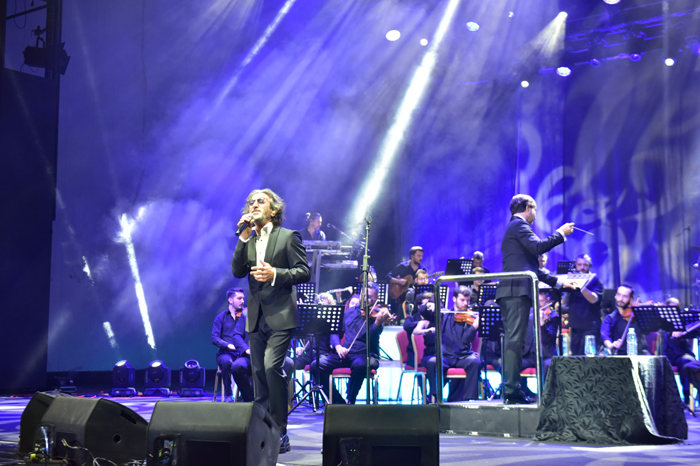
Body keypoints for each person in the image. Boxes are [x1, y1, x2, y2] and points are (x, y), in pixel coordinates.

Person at [232, 188, 310, 454]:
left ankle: (279, 430)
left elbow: (303, 271)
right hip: (256, 316)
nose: (254, 205)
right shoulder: (249, 239)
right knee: (258, 374)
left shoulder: (288, 237)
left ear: (273, 210)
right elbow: (237, 270)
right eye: (250, 202)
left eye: (260, 201)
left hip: (281, 314)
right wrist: (243, 237)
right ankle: (262, 431)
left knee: (271, 367)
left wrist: (275, 273)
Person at [495, 194, 576, 404]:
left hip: (515, 291)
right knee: (515, 341)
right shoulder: (519, 225)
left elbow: (532, 268)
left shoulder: (516, 227)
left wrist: (558, 283)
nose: (536, 216)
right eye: (536, 210)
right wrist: (560, 233)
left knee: (517, 341)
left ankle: (515, 389)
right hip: (514, 291)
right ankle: (511, 391)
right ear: (528, 208)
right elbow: (539, 247)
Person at [312, 282, 394, 404]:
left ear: (377, 298)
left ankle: (351, 400)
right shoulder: (349, 312)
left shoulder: (379, 315)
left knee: (359, 365)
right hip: (347, 353)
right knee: (316, 365)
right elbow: (335, 332)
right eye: (363, 296)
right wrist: (338, 346)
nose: (365, 300)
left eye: (369, 297)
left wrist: (377, 323)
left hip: (367, 355)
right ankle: (338, 402)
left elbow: (371, 338)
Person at [428, 286, 481, 402]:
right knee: (432, 362)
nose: (465, 304)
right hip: (445, 356)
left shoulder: (470, 319)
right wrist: (428, 306)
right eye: (462, 300)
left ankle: (470, 400)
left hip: (463, 356)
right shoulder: (444, 315)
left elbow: (465, 340)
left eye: (467, 301)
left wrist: (474, 326)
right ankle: (435, 398)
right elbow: (424, 313)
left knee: (475, 363)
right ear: (454, 299)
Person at [211, 288, 254, 402]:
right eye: (239, 298)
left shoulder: (245, 316)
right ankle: (229, 394)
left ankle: (247, 395)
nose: (242, 301)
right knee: (227, 362)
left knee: (245, 365)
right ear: (230, 300)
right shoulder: (220, 318)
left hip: (242, 353)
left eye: (243, 298)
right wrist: (228, 345)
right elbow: (214, 338)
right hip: (226, 353)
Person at [561, 254, 604, 355]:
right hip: (575, 326)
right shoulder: (571, 281)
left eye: (585, 264)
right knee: (575, 357)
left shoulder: (596, 281)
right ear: (575, 266)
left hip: (590, 326)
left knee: (588, 358)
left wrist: (581, 286)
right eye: (579, 264)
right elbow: (565, 300)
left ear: (590, 266)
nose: (582, 267)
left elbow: (593, 299)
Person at [662, 298, 700, 405]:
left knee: (685, 361)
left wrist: (682, 332)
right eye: (670, 308)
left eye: (676, 308)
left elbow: (694, 329)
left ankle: (687, 396)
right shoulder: (661, 323)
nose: (673, 310)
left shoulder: (682, 322)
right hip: (668, 355)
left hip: (682, 354)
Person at [601, 284, 649, 355]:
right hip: (620, 355)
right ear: (615, 295)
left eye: (625, 296)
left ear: (631, 299)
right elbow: (604, 334)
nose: (621, 299)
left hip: (639, 354)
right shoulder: (610, 318)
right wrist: (611, 345)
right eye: (619, 295)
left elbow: (647, 331)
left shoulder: (638, 316)